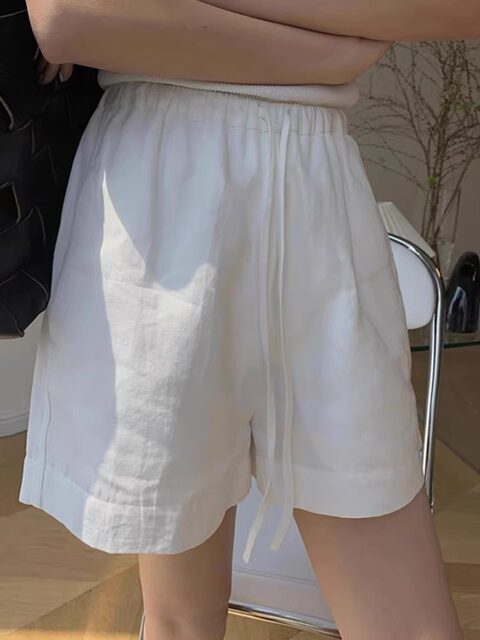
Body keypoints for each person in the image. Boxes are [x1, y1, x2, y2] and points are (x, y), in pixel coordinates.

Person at [20, 2, 478, 639]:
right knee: (180, 617)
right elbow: (67, 18)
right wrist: (333, 47)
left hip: (313, 189)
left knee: (407, 622)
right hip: (159, 197)